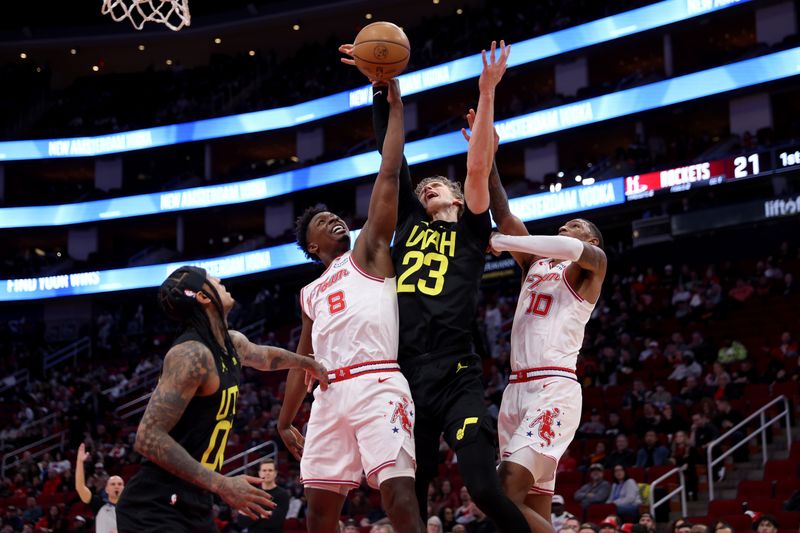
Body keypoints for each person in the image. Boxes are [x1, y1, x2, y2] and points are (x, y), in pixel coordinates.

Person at [365, 39, 535, 532]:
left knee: (483, 489)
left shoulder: (473, 229)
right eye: (424, 189)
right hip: (406, 373)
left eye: (436, 186)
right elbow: (390, 159)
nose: (426, 189)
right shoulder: (410, 222)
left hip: (457, 369)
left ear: (458, 200)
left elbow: (478, 166)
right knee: (410, 496)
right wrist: (383, 94)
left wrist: (487, 93)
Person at [278, 78, 424, 533]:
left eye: (335, 216)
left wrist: (394, 109)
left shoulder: (368, 250)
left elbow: (388, 174)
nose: (335, 220)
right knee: (319, 514)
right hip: (328, 396)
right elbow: (303, 362)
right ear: (311, 245)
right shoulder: (310, 293)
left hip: (378, 382)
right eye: (323, 222)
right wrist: (285, 421)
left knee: (398, 495)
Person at [116, 266, 328, 533]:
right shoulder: (191, 355)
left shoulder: (230, 344)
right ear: (203, 297)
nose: (219, 280)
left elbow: (262, 356)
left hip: (196, 502)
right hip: (155, 506)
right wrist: (221, 484)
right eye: (210, 280)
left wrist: (305, 363)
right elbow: (147, 437)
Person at [484, 103, 606, 526]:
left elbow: (568, 249)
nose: (564, 229)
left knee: (501, 493)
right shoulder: (535, 264)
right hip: (516, 391)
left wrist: (501, 242)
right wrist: (489, 159)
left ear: (589, 237)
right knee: (528, 510)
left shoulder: (592, 264)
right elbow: (504, 214)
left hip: (553, 388)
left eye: (573, 224)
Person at [75, 443, 124, 533]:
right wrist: (80, 462)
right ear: (106, 489)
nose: (116, 486)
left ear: (123, 489)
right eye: (113, 484)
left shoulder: (131, 508)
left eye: (119, 484)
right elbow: (80, 487)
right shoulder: (99, 505)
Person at [236, 459, 289, 532]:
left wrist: (252, 515)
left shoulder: (283, 494)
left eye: (270, 470)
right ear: (259, 473)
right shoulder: (251, 493)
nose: (267, 473)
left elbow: (277, 522)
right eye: (264, 470)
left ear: (275, 473)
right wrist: (263, 514)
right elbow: (242, 522)